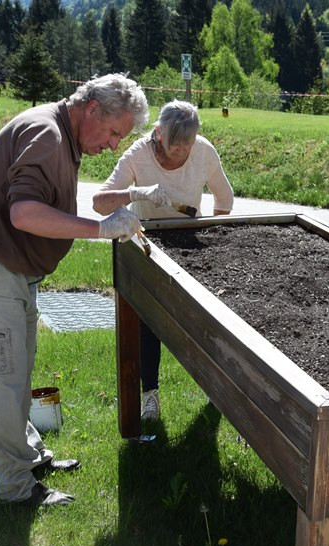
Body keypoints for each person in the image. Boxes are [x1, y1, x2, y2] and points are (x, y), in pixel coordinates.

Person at [0, 74, 149, 507]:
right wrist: (100, 228)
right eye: (115, 132)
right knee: (0, 379)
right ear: (93, 108)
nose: (114, 145)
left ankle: (30, 458)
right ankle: (16, 490)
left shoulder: (61, 135)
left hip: (9, 269)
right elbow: (23, 213)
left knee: (17, 370)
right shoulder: (46, 133)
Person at [92, 100, 234, 421]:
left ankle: (215, 387)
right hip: (148, 245)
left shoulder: (204, 152)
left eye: (188, 144)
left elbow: (224, 198)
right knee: (148, 321)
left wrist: (212, 237)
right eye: (175, 145)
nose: (182, 152)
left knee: (203, 320)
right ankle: (150, 395)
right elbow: (99, 202)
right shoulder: (138, 155)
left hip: (190, 245)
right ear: (158, 133)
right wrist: (136, 194)